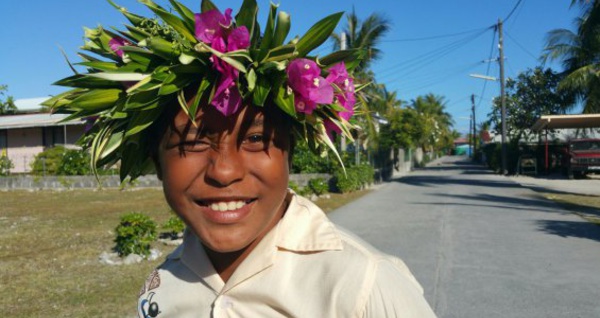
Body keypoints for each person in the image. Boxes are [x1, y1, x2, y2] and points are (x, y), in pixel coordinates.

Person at [45, 0, 437, 317]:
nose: (225, 171)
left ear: (290, 153)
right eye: (193, 143)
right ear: (155, 159)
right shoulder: (163, 285)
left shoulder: (365, 288)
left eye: (255, 138)